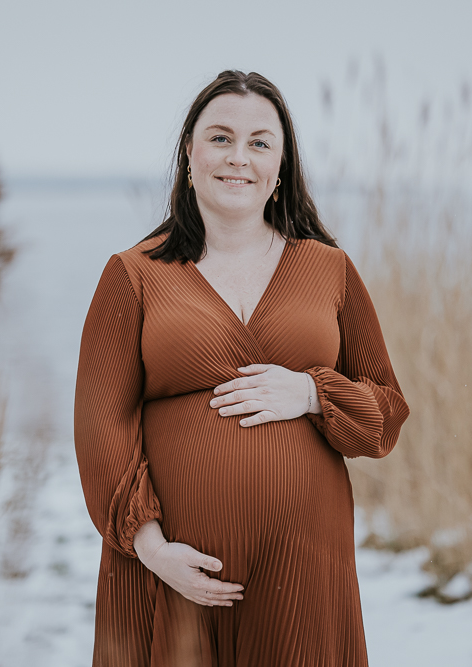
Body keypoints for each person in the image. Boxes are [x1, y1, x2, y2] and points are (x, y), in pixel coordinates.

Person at [74, 70, 410, 666]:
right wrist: (152, 549)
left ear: (281, 167)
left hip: (301, 570)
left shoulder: (329, 270)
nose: (239, 157)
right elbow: (102, 425)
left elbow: (384, 412)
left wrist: (310, 392)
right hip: (175, 572)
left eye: (259, 142)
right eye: (221, 138)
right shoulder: (133, 274)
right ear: (190, 153)